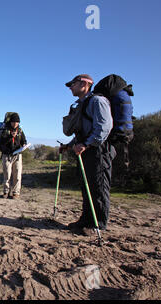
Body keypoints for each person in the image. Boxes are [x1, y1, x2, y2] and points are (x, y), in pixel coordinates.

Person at [60, 74, 115, 234]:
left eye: (73, 84)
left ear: (84, 84)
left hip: (99, 151)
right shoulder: (82, 104)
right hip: (87, 150)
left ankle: (98, 225)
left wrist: (86, 144)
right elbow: (81, 133)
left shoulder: (98, 101)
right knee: (87, 187)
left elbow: (104, 127)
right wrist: (69, 146)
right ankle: (86, 220)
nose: (70, 87)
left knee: (98, 187)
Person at [0, 113, 27, 199]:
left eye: (17, 122)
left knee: (17, 174)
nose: (15, 124)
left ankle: (16, 192)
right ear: (10, 122)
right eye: (14, 122)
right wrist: (10, 136)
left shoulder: (20, 130)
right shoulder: (4, 130)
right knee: (7, 174)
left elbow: (23, 140)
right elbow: (1, 143)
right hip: (7, 155)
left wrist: (24, 144)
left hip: (17, 155)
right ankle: (6, 191)